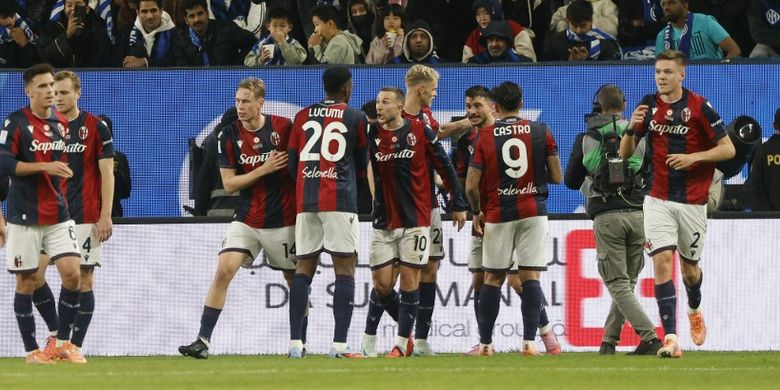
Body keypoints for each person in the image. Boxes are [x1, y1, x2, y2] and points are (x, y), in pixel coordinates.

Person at [619, 49, 736, 358]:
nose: (661, 77)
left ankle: (694, 308)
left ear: (682, 75)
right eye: (658, 71)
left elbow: (728, 150)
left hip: (693, 201)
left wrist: (694, 157)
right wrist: (632, 127)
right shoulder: (648, 105)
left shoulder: (700, 107)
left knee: (690, 270)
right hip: (657, 197)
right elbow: (626, 153)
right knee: (661, 261)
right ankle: (670, 338)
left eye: (668, 72)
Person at [179, 78, 298, 359]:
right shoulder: (227, 135)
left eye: (246, 101)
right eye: (238, 101)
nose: (241, 106)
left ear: (260, 102)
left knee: (294, 281)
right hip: (247, 217)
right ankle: (203, 341)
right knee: (224, 271)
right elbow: (230, 184)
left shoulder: (284, 127)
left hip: (283, 219)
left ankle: (297, 343)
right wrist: (264, 168)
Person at [454, 85, 560, 357]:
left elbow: (470, 187)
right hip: (532, 210)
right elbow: (557, 176)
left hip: (498, 213)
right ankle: (529, 344)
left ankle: (486, 345)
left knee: (492, 278)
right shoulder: (541, 130)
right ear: (522, 103)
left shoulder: (485, 137)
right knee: (530, 277)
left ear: (495, 108)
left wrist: (478, 210)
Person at [365, 87, 467, 357]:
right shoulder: (371, 134)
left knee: (412, 277)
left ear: (399, 107)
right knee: (382, 283)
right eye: (377, 102)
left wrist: (458, 203)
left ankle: (401, 344)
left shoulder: (420, 131)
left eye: (385, 102)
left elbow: (445, 166)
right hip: (384, 219)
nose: (379, 106)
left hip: (417, 219)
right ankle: (405, 329)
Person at [564, 84, 662, 356]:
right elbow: (652, 171)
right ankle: (608, 343)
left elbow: (571, 181)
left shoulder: (586, 137)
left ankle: (650, 337)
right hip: (639, 212)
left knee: (618, 283)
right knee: (627, 282)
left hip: (607, 214)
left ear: (598, 106)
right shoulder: (641, 135)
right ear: (625, 104)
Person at [27, 70, 116, 364]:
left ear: (78, 93)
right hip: (48, 216)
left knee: (83, 280)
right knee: (33, 275)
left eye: (65, 92)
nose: (58, 97)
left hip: (85, 215)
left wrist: (106, 215)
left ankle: (72, 345)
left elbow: (107, 173)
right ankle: (57, 332)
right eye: (55, 92)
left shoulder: (96, 127)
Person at [0, 64, 82, 364]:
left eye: (52, 86)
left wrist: (57, 172)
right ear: (28, 90)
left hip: (58, 213)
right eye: (43, 86)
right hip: (24, 216)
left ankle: (62, 343)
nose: (50, 91)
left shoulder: (61, 124)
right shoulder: (15, 122)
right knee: (27, 281)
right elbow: (5, 165)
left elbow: (56, 164)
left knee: (73, 274)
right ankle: (32, 351)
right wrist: (45, 167)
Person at [287, 66, 368, 358]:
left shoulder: (301, 116)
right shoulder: (355, 117)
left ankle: (296, 344)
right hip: (340, 199)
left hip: (305, 200)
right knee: (344, 269)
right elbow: (361, 163)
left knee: (303, 269)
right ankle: (339, 345)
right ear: (348, 87)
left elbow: (292, 164)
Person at [400, 64, 443, 355]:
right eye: (433, 89)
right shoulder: (394, 117)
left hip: (431, 204)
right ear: (420, 89)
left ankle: (423, 339)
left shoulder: (428, 118)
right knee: (395, 274)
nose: (435, 94)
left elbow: (437, 147)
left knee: (430, 267)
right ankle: (395, 336)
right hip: (400, 206)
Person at [172, 0, 257, 66]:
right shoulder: (181, 40)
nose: (197, 19)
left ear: (207, 13)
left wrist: (239, 65)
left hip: (230, 80)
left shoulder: (227, 29)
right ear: (186, 20)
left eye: (200, 13)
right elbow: (183, 71)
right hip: (198, 84)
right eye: (191, 16)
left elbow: (253, 42)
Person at [655, 0, 741, 60]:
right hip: (680, 82)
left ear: (685, 5)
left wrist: (720, 74)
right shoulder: (662, 36)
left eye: (671, 2)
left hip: (709, 77)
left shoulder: (704, 21)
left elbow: (734, 50)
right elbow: (660, 66)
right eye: (663, 4)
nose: (666, 7)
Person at [38, 0, 113, 67]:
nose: (73, 9)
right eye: (69, 5)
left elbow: (105, 58)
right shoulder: (51, 27)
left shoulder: (98, 26)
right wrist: (67, 36)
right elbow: (45, 56)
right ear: (64, 8)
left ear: (87, 9)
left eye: (78, 4)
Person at [543, 0, 621, 62]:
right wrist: (568, 63)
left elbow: (609, 74)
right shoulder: (554, 41)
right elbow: (546, 70)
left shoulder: (605, 44)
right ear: (567, 21)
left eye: (583, 26)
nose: (578, 30)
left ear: (591, 21)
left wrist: (586, 62)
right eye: (574, 25)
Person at [462, 0, 536, 63]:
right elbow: (466, 70)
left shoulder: (514, 29)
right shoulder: (473, 37)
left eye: (486, 13)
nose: (482, 18)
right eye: (478, 14)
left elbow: (528, 63)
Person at [123, 0, 177, 67]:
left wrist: (146, 62)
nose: (149, 16)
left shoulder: (175, 34)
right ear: (138, 13)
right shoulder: (127, 33)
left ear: (161, 11)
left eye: (153, 10)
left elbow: (177, 62)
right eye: (144, 11)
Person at [746, 107, 780, 210]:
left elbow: (754, 186)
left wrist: (768, 215)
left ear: (774, 125)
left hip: (770, 218)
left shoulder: (761, 150)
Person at [468, 21, 533, 63]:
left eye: (499, 39)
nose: (494, 44)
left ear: (507, 42)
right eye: (490, 40)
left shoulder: (524, 64)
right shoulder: (474, 63)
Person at [0, 0, 38, 68]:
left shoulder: (25, 31)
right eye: (4, 17)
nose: (9, 21)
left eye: (12, 16)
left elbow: (30, 67)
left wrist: (25, 45)